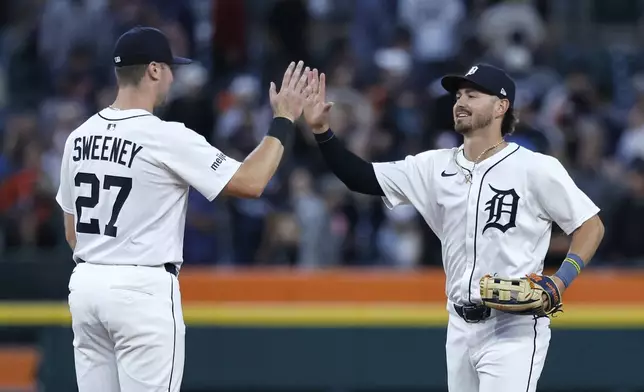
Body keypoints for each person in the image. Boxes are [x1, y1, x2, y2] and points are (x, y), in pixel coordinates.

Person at [302, 64, 605, 392]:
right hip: (459, 325)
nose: (460, 101)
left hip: (513, 328)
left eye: (473, 95)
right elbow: (359, 176)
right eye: (458, 95)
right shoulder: (432, 166)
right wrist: (322, 132)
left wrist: (562, 280)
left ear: (501, 106)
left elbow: (590, 225)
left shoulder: (535, 168)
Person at [55, 26, 312, 392]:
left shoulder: (77, 137)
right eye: (170, 67)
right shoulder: (165, 136)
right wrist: (284, 119)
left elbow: (71, 232)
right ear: (154, 70)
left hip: (86, 287)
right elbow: (252, 182)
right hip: (142, 289)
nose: (174, 76)